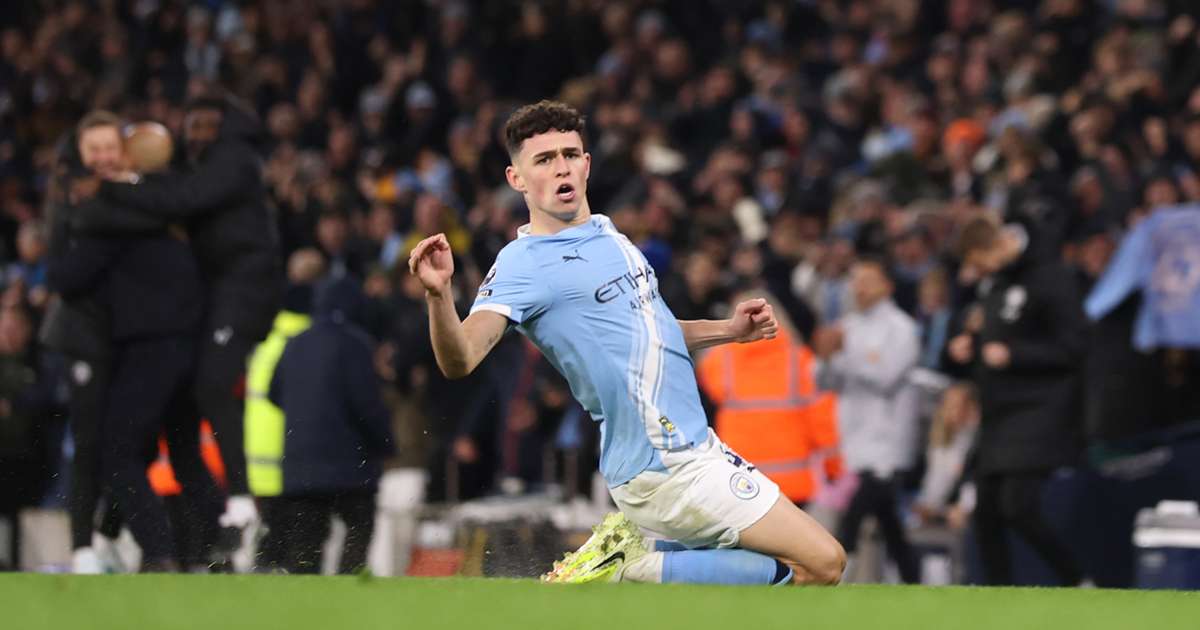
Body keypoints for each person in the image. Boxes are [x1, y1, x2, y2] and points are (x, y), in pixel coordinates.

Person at [409, 100, 845, 585]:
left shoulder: (610, 236)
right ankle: (630, 566)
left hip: (698, 447)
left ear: (587, 164)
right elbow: (461, 358)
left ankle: (634, 558)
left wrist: (729, 330)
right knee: (823, 563)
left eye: (569, 155)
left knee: (770, 575)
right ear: (517, 179)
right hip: (662, 461)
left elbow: (652, 331)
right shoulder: (522, 263)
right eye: (544, 159)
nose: (561, 168)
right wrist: (439, 295)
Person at [75, 94, 285, 533]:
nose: (198, 134)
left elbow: (183, 200)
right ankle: (204, 533)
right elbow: (174, 196)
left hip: (244, 289)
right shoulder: (202, 165)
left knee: (211, 387)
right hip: (218, 296)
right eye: (192, 126)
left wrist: (114, 186)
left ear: (226, 127)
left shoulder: (234, 159)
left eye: (208, 125)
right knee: (178, 420)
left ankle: (241, 499)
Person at [50, 113, 209, 572]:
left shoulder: (121, 200)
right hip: (106, 341)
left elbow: (67, 273)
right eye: (92, 149)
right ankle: (92, 546)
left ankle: (145, 545)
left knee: (121, 449)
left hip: (143, 342)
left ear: (125, 151)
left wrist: (110, 195)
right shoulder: (86, 198)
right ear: (79, 155)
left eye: (108, 147)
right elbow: (62, 273)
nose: (101, 157)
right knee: (110, 444)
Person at [950, 216, 1086, 586]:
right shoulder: (998, 283)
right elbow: (997, 340)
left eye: (977, 263)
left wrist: (1015, 355)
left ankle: (1077, 579)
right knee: (985, 512)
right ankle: (996, 597)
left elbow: (1074, 348)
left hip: (1040, 409)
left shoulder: (1051, 277)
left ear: (992, 246)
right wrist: (970, 346)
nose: (976, 272)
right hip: (999, 412)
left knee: (1018, 506)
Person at [263, 276, 394, 574]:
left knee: (305, 547)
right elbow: (366, 405)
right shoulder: (355, 343)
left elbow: (274, 393)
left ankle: (306, 597)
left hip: (300, 466)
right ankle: (348, 587)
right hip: (350, 466)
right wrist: (385, 443)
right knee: (358, 528)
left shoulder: (294, 343)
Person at [812, 258, 922, 584]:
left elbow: (887, 377)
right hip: (854, 437)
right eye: (856, 281)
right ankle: (913, 582)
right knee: (889, 522)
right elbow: (825, 382)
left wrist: (845, 351)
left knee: (856, 513)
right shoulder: (847, 325)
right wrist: (826, 356)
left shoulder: (901, 328)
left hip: (887, 440)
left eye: (867, 281)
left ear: (887, 286)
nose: (859, 288)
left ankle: (837, 576)